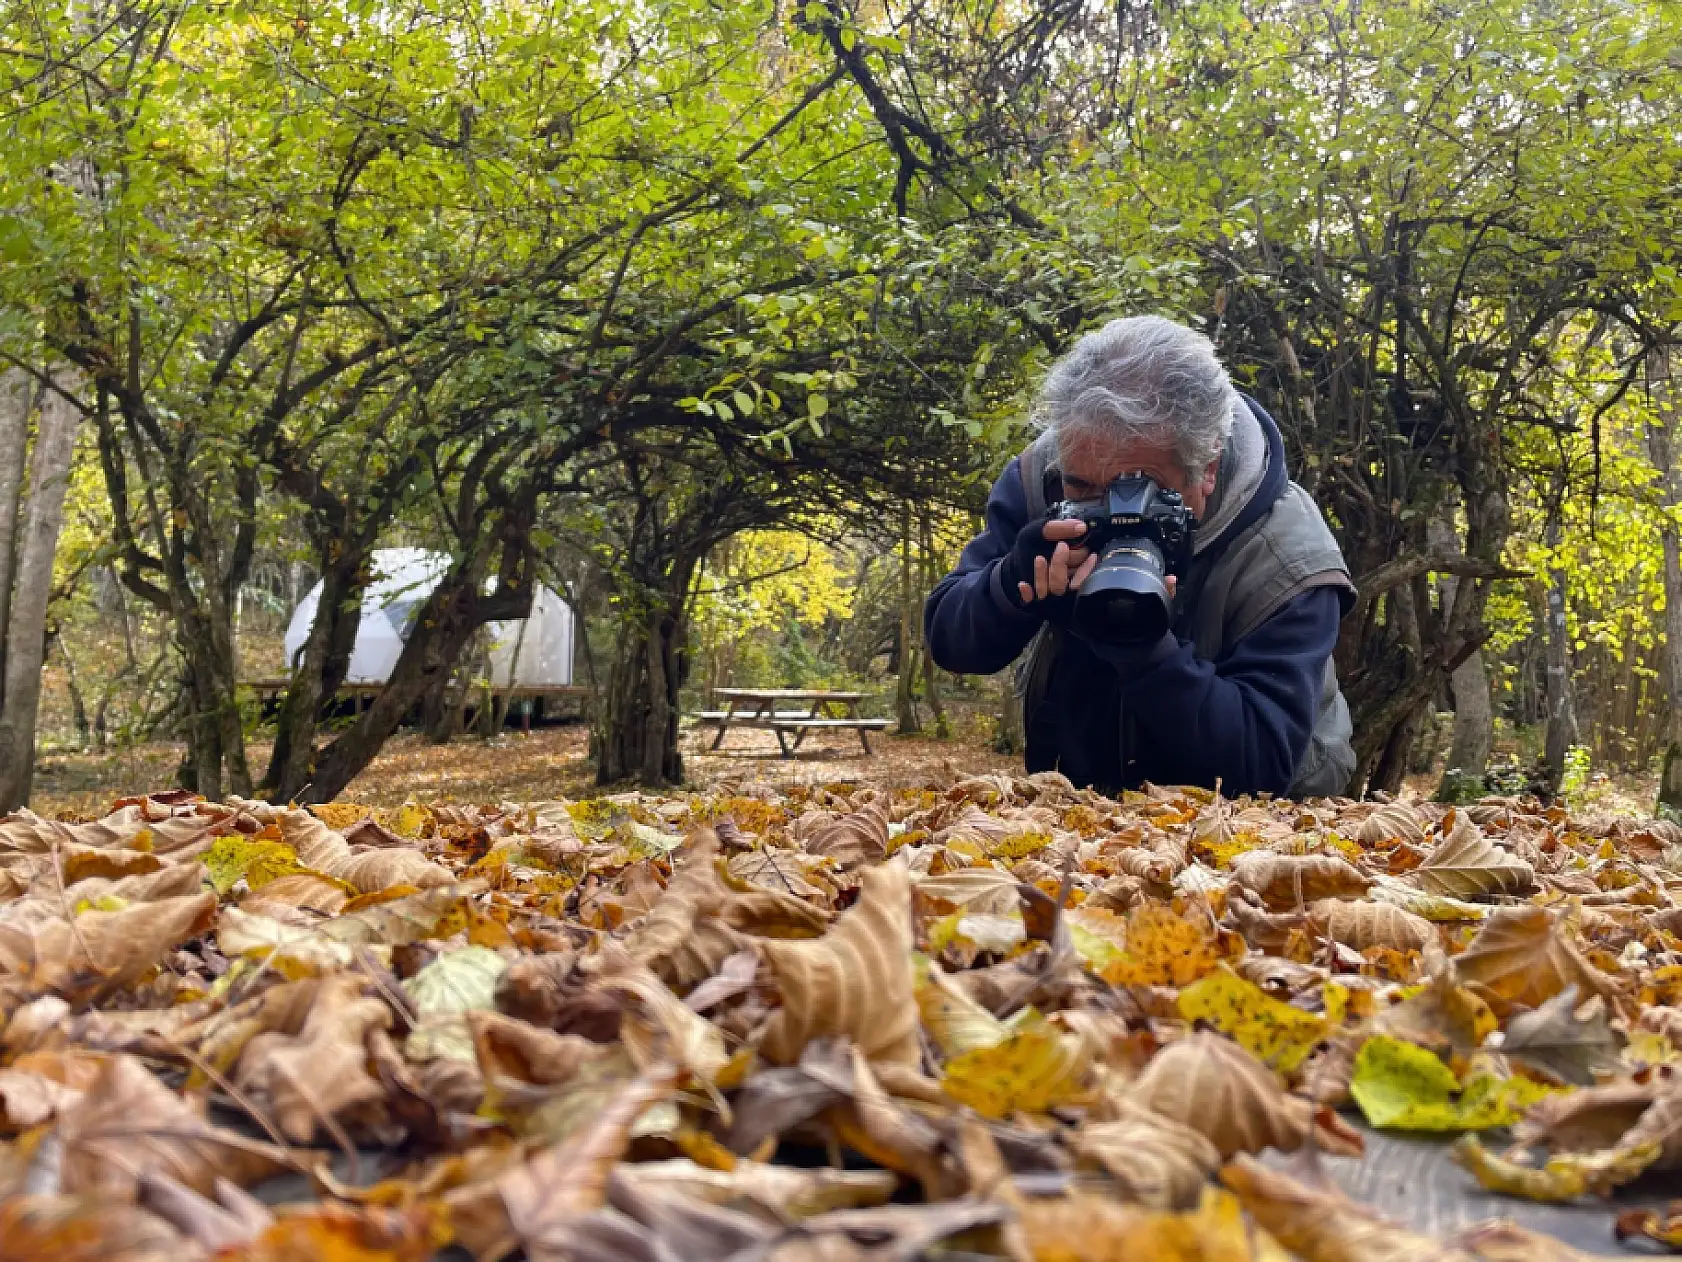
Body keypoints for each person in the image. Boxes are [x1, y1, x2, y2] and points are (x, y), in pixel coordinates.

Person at [924, 314, 1356, 798]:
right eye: (1082, 489)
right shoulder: (1044, 476)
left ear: (1207, 469)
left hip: (1266, 822)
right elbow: (950, 643)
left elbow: (1263, 764)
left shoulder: (1287, 552)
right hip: (1078, 802)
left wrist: (1144, 650)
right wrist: (1011, 585)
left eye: (1141, 489)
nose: (1112, 514)